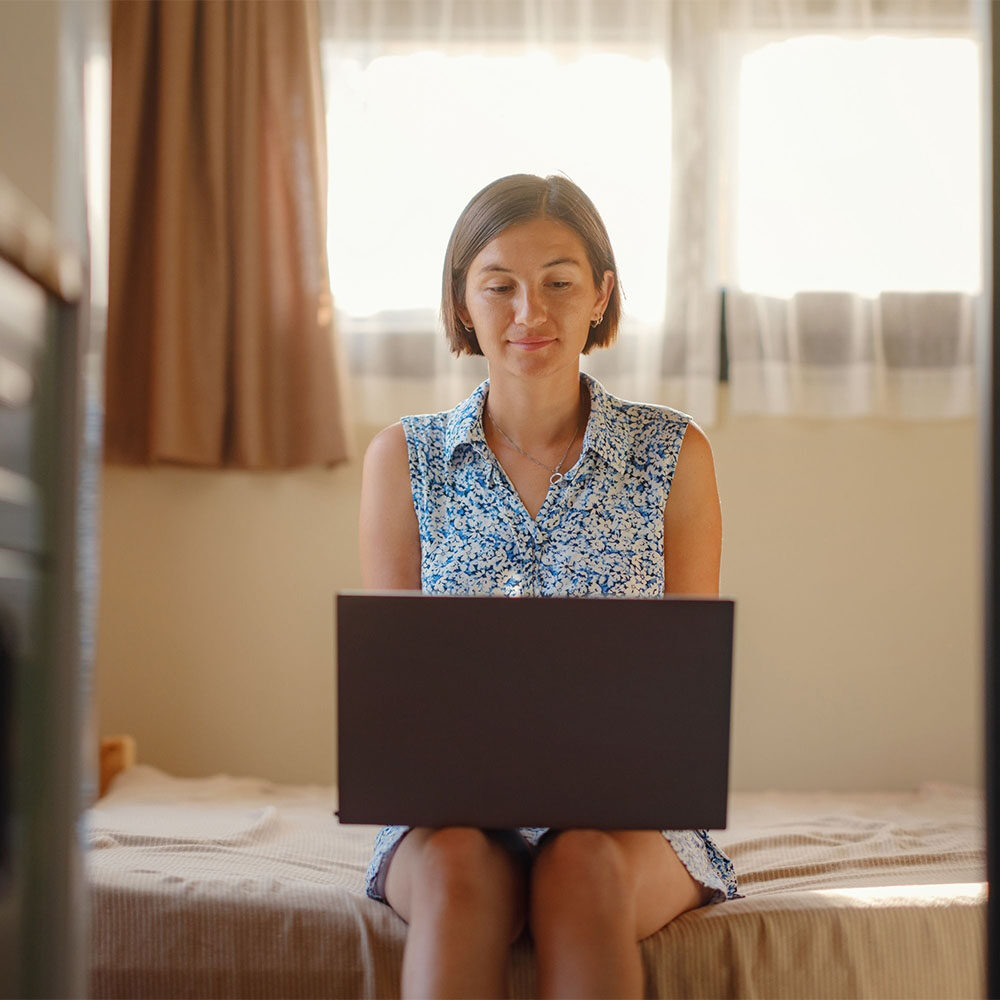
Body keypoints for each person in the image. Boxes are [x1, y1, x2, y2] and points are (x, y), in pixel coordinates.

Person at [358, 173, 740, 999]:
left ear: (600, 296)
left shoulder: (673, 455)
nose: (529, 313)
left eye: (560, 283)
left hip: (625, 823)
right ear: (463, 303)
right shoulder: (405, 460)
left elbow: (688, 697)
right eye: (499, 286)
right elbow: (394, 699)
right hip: (450, 820)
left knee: (582, 865)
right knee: (459, 866)